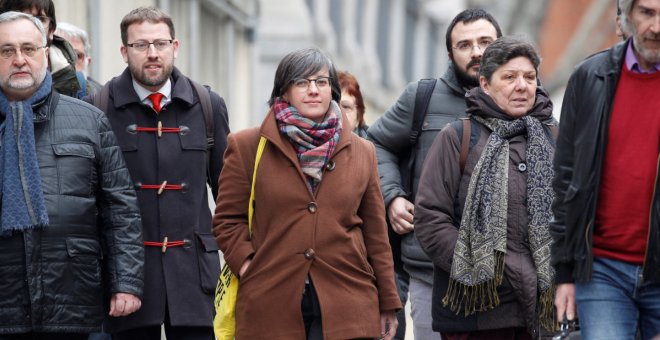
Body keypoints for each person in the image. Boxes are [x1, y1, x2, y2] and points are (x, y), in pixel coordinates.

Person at [213, 47, 401, 340]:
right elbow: (227, 220)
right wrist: (249, 266)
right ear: (283, 92)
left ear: (332, 91)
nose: (313, 90)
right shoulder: (247, 146)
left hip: (348, 301)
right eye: (302, 82)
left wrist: (388, 301)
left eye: (321, 82)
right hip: (271, 300)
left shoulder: (363, 151)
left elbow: (376, 234)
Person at [82, 6, 230, 340]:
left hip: (195, 276)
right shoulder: (99, 108)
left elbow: (228, 195)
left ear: (174, 47)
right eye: (141, 45)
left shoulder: (207, 105)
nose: (152, 54)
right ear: (124, 51)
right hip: (127, 283)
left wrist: (240, 261)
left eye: (160, 44)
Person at [0, 11, 144, 339]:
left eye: (29, 49)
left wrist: (126, 284)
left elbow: (121, 211)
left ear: (45, 52)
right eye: (6, 51)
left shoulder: (89, 121)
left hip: (73, 298)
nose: (19, 59)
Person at [367, 8, 502, 339]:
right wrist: (392, 196)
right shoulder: (422, 97)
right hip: (431, 270)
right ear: (449, 53)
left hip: (506, 274)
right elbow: (375, 144)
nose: (477, 52)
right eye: (465, 45)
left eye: (486, 42)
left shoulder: (522, 99)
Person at [415, 36, 557, 340]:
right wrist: (479, 269)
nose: (522, 85)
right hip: (477, 313)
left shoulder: (555, 138)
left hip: (545, 312)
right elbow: (430, 217)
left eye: (529, 77)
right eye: (509, 77)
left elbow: (575, 214)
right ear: (484, 83)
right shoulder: (458, 137)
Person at [551, 0, 660, 338]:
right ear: (626, 16)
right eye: (647, 12)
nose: (657, 27)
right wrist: (565, 274)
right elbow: (566, 179)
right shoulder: (589, 78)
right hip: (602, 270)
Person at [0, 0, 82, 98]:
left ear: (51, 30)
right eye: (19, 16)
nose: (30, 25)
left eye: (39, 19)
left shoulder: (79, 86)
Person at [55, 22, 103, 94]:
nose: (70, 63)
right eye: (62, 54)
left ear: (88, 62)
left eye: (77, 56)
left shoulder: (103, 97)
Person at [337, 70, 368, 138]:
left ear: (358, 117)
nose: (338, 112)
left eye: (345, 107)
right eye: (331, 105)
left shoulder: (374, 147)